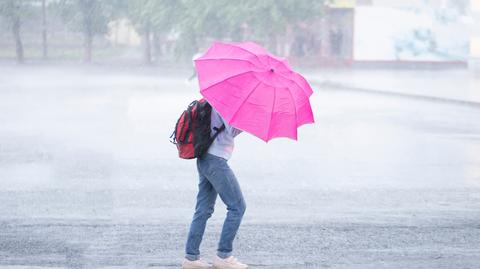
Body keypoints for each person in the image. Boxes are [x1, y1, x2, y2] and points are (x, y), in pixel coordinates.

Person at [182, 107, 248, 269]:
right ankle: (223, 256)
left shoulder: (215, 100)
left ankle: (191, 258)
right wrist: (248, 119)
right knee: (237, 207)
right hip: (216, 160)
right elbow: (232, 130)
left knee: (203, 210)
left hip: (205, 157)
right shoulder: (226, 104)